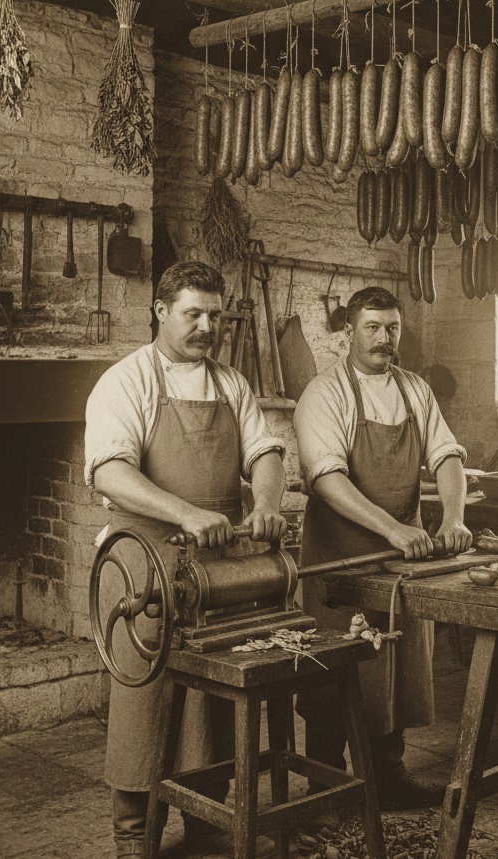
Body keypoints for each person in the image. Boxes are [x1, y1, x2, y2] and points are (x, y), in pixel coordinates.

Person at [85, 260, 287, 859]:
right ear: (160, 313)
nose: (206, 327)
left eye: (215, 315)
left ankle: (206, 824)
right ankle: (132, 836)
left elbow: (266, 451)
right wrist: (185, 513)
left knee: (215, 705)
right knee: (145, 707)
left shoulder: (231, 383)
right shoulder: (126, 381)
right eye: (192, 314)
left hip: (219, 567)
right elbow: (111, 471)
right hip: (144, 565)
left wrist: (268, 504)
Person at [293, 285, 473, 812]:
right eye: (372, 327)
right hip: (338, 555)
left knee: (394, 666)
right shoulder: (324, 394)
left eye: (392, 327)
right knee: (334, 668)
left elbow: (447, 456)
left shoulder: (415, 389)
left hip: (403, 561)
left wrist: (454, 517)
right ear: (349, 332)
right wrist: (393, 528)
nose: (383, 338)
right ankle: (325, 783)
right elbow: (327, 478)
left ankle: (387, 775)